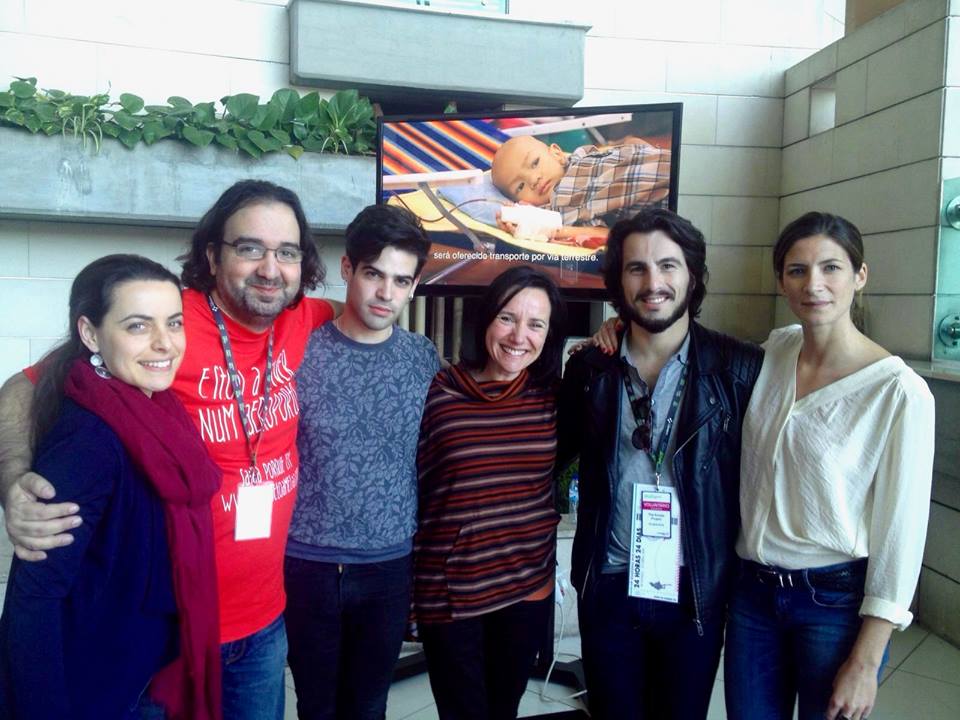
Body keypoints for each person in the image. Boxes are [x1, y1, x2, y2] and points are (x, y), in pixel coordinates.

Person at [0, 180, 337, 720]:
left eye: (288, 252)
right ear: (213, 255)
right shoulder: (167, 321)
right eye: (250, 248)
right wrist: (13, 480)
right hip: (173, 625)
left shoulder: (302, 317)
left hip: (265, 620)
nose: (271, 269)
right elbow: (21, 388)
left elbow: (357, 310)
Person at [724, 212, 935, 720]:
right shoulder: (777, 350)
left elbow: (902, 534)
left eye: (831, 268)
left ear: (860, 276)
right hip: (753, 596)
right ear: (781, 281)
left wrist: (867, 659)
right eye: (797, 270)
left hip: (833, 605)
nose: (813, 284)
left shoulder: (897, 391)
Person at [557, 208, 763, 719]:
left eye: (668, 265)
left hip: (695, 588)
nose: (653, 283)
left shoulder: (739, 369)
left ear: (693, 275)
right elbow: (549, 462)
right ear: (617, 281)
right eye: (637, 268)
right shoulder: (590, 369)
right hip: (609, 584)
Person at [0, 255, 222, 719]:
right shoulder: (89, 442)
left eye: (174, 323)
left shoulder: (157, 409)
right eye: (138, 326)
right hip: (97, 692)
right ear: (90, 333)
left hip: (144, 670)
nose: (164, 343)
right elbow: (34, 599)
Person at [283, 204, 439, 720]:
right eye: (374, 274)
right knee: (317, 706)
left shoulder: (422, 357)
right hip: (307, 562)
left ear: (414, 286)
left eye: (401, 280)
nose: (385, 293)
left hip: (388, 565)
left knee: (369, 706)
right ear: (348, 268)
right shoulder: (301, 349)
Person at [413, 266, 566, 720]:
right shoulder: (438, 392)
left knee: (503, 710)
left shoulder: (553, 397)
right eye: (507, 318)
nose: (519, 336)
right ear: (485, 319)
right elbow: (415, 490)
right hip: (451, 595)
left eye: (536, 324)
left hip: (525, 591)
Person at [490, 135, 671, 242]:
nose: (533, 179)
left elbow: (631, 146)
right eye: (520, 186)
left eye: (535, 163)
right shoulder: (560, 202)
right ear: (520, 201)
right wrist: (539, 225)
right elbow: (606, 235)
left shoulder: (582, 156)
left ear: (557, 153)